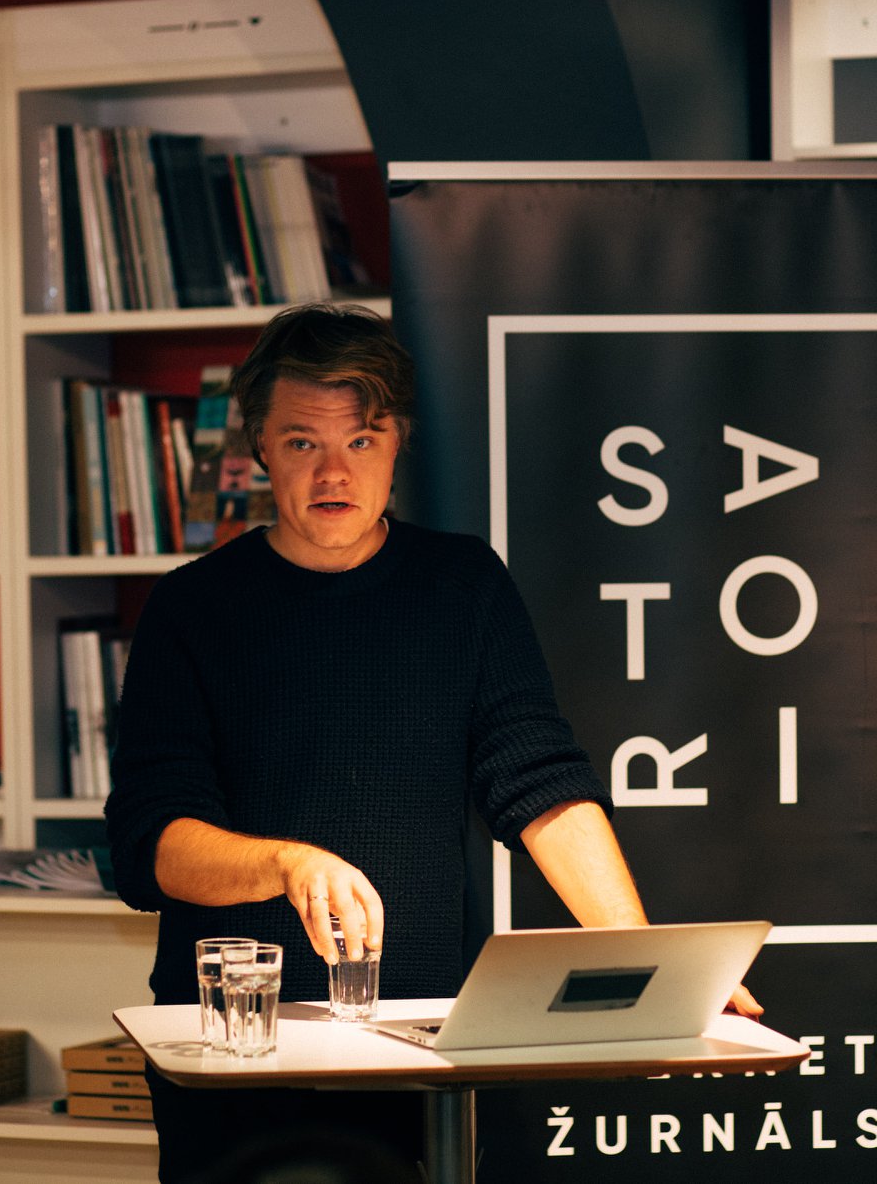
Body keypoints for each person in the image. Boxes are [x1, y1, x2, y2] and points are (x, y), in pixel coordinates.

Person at [105, 302, 757, 1183]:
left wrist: (650, 967)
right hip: (236, 1045)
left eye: (361, 440)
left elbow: (539, 783)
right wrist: (286, 865)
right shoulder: (190, 606)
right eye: (301, 442)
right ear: (258, 445)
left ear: (398, 442)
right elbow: (149, 848)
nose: (333, 471)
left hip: (415, 1038)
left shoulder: (462, 584)